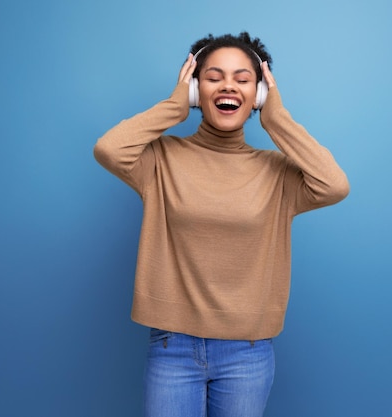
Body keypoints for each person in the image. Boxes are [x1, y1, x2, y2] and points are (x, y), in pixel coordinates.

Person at [94, 31, 349, 417]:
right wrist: (173, 107)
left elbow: (334, 184)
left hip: (246, 351)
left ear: (259, 94)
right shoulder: (160, 161)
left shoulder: (277, 173)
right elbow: (108, 149)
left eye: (243, 79)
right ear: (195, 89)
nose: (228, 85)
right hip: (172, 347)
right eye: (213, 77)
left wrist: (277, 119)